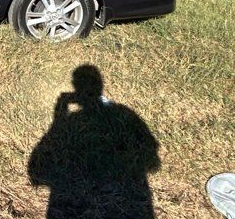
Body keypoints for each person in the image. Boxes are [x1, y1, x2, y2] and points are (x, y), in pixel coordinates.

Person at [28, 65, 160, 219]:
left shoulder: (73, 124)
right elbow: (152, 160)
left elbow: (38, 170)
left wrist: (59, 118)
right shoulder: (124, 116)